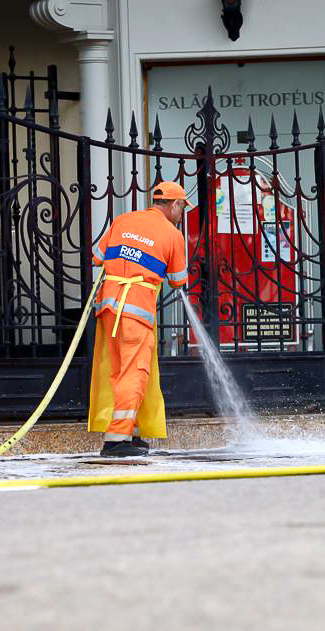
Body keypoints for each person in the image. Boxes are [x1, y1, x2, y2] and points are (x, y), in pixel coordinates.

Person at [87, 181, 191, 456]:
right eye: (182, 208)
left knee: (119, 371)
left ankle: (129, 432)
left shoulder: (123, 220)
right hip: (136, 310)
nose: (182, 215)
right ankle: (116, 440)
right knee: (135, 372)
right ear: (174, 204)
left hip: (109, 308)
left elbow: (97, 258)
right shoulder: (172, 234)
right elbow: (179, 280)